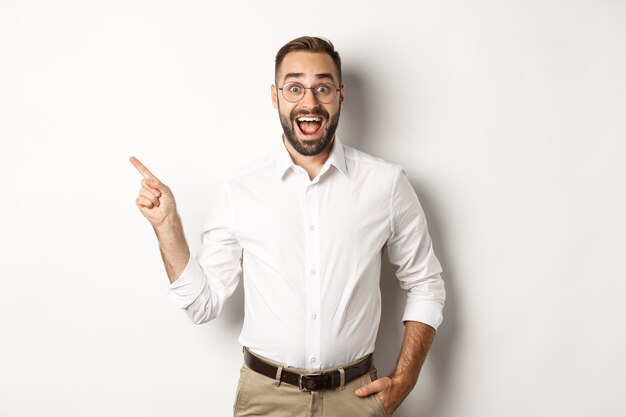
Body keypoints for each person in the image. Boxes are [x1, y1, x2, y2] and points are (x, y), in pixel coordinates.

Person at [131, 36, 445, 417]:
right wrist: (168, 226)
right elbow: (202, 305)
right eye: (295, 87)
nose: (309, 102)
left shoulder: (387, 184)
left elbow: (425, 283)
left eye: (322, 88)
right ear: (275, 95)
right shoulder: (240, 189)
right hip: (267, 399)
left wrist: (404, 381)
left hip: (357, 400)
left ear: (340, 95)